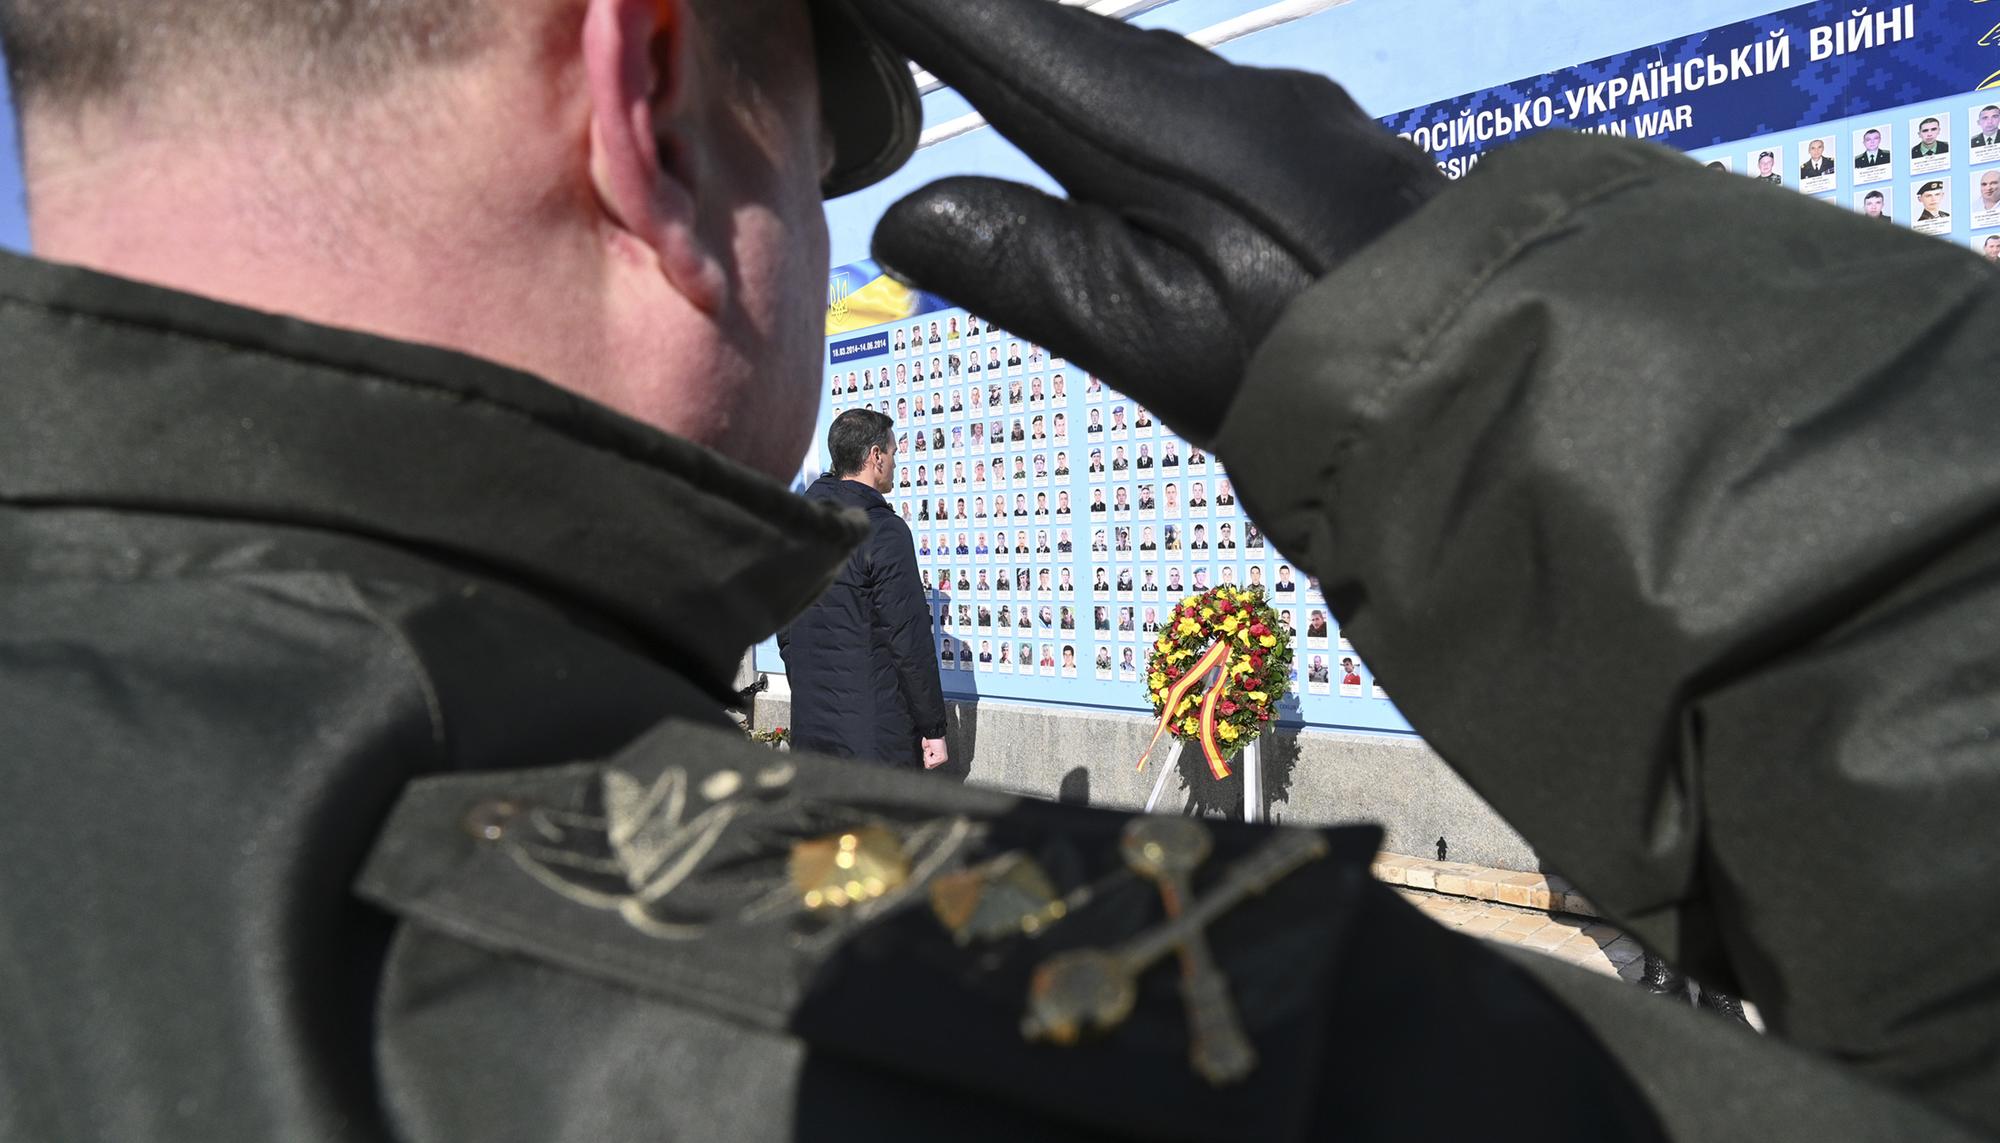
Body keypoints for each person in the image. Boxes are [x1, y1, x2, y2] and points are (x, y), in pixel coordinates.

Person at [784, 411, 950, 768]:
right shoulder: (884, 532)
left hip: (810, 728)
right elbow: (908, 639)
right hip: (875, 733)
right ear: (875, 457)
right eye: (892, 452)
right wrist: (933, 727)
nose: (895, 462)